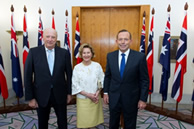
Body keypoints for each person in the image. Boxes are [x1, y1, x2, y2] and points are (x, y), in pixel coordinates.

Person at [24, 28, 72, 129]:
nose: (50, 39)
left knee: (63, 121)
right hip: (40, 95)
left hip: (60, 94)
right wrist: (30, 98)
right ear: (43, 37)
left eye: (53, 37)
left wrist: (69, 93)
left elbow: (69, 74)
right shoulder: (33, 52)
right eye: (47, 36)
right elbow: (27, 76)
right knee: (42, 122)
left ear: (56, 39)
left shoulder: (64, 53)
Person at [103, 29, 149, 129]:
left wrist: (143, 99)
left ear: (130, 41)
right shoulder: (110, 56)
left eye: (126, 39)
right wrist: (105, 92)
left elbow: (144, 79)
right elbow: (108, 76)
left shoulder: (139, 57)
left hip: (131, 98)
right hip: (114, 97)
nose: (123, 42)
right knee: (113, 123)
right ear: (116, 41)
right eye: (120, 39)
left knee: (130, 124)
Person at [72, 43, 104, 128]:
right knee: (84, 122)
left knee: (94, 120)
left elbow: (102, 80)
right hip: (83, 98)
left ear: (92, 54)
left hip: (95, 97)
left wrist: (97, 92)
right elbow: (75, 84)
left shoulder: (97, 66)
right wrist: (88, 95)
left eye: (88, 52)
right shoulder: (77, 68)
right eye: (84, 53)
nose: (86, 55)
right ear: (81, 55)